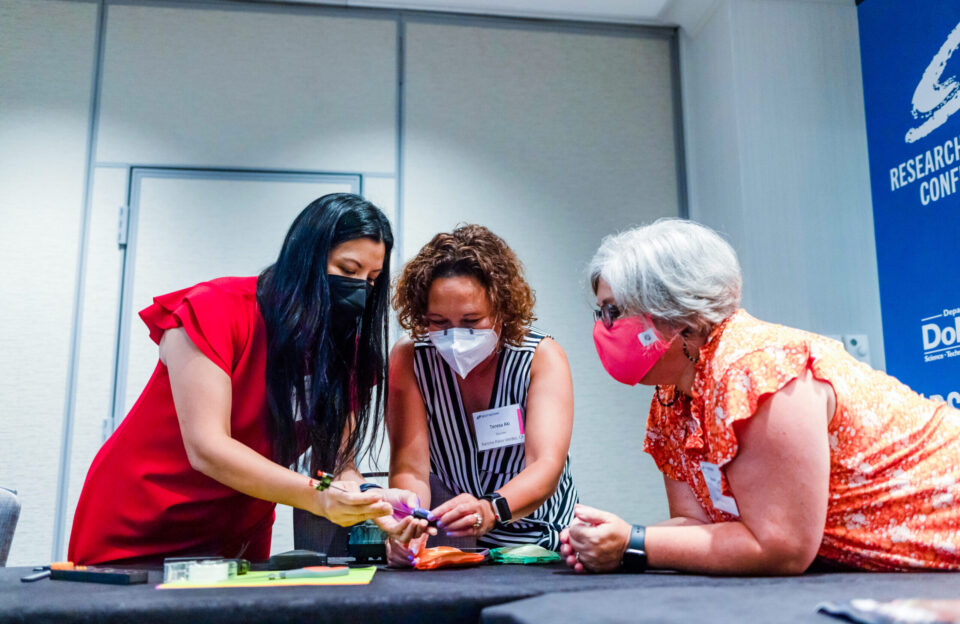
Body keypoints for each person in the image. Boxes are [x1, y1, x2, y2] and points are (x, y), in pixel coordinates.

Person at [561, 218, 960, 574]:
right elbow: (700, 530)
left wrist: (632, 542)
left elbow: (780, 546)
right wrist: (612, 540)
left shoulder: (756, 368)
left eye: (612, 312)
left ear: (674, 312)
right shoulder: (673, 396)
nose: (603, 328)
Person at [69, 193, 421, 565]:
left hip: (236, 533)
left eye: (372, 279)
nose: (360, 288)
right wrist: (319, 496)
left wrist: (372, 499)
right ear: (305, 258)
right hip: (141, 523)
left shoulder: (342, 352)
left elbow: (340, 465)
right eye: (348, 271)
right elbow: (208, 448)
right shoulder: (215, 308)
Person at [385, 224, 579, 566]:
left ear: (502, 311)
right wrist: (407, 525)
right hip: (468, 547)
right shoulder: (411, 358)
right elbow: (411, 467)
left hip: (545, 541)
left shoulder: (540, 357)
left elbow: (545, 465)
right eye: (439, 322)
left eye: (472, 321)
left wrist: (492, 508)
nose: (455, 336)